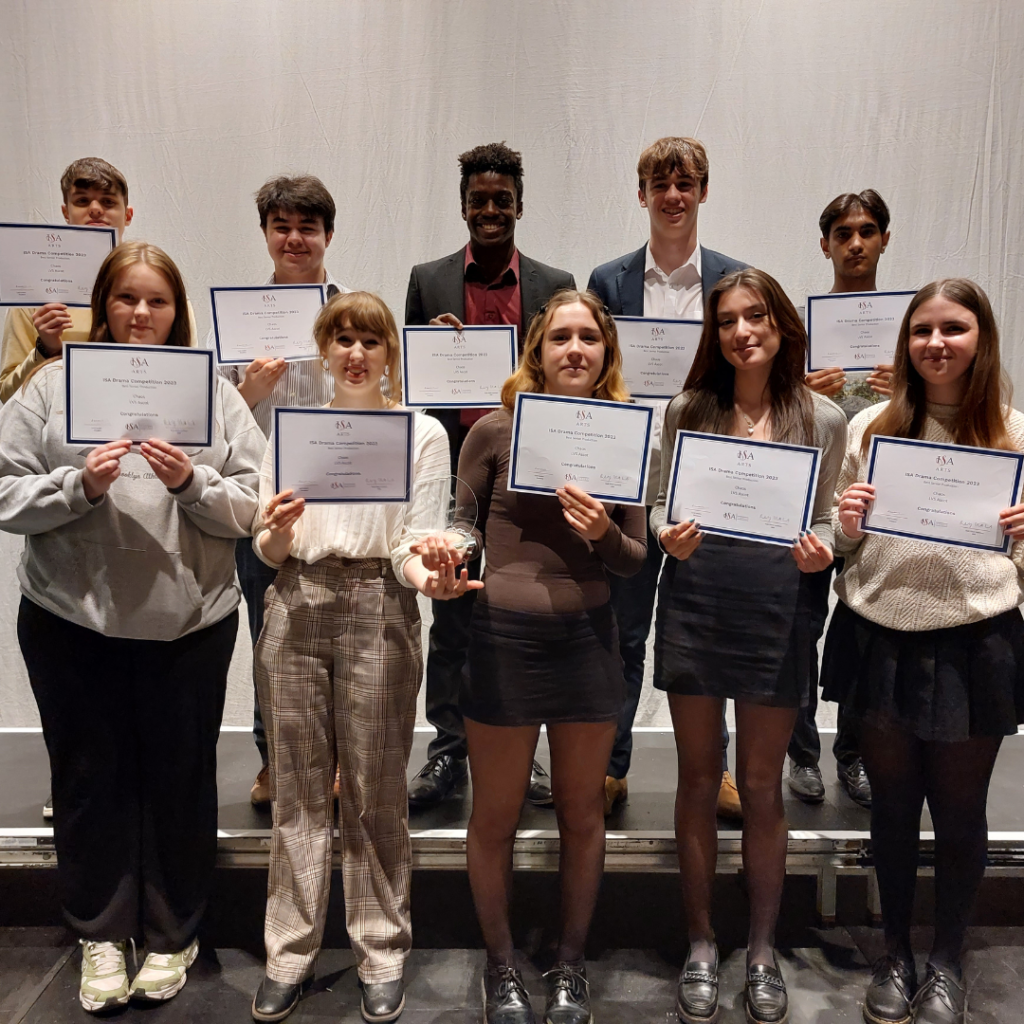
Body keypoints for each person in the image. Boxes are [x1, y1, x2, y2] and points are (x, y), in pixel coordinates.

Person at [0, 241, 264, 1013]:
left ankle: (174, 935)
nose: (141, 313)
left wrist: (192, 482)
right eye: (126, 299)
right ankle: (100, 935)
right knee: (87, 781)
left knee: (180, 782)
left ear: (177, 310)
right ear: (102, 306)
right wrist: (76, 486)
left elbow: (253, 503)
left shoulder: (212, 394)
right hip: (71, 619)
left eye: (156, 300)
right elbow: (4, 492)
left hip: (188, 622)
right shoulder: (52, 387)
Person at [417, 289, 645, 1024]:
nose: (574, 349)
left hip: (586, 645)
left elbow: (636, 560)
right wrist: (451, 555)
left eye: (588, 338)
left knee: (582, 813)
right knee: (496, 817)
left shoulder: (624, 435)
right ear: (537, 352)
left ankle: (570, 967)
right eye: (560, 338)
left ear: (605, 353)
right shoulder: (491, 429)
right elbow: (463, 521)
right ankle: (503, 965)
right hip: (502, 644)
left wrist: (604, 534)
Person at [249, 291, 471, 1024]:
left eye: (370, 341)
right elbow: (266, 546)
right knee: (298, 788)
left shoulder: (423, 433)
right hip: (297, 599)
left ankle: (380, 949)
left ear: (389, 354)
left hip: (380, 601)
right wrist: (276, 533)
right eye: (341, 338)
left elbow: (414, 544)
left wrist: (429, 577)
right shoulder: (291, 429)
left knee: (376, 789)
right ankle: (290, 951)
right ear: (323, 348)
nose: (355, 352)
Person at [823, 278, 1024, 1024]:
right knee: (893, 810)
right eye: (922, 330)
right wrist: (846, 521)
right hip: (882, 634)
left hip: (976, 642)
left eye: (955, 328)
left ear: (982, 337)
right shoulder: (872, 425)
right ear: (905, 343)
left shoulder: (1014, 433)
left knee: (962, 812)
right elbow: (844, 548)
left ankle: (947, 959)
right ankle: (898, 951)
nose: (937, 343)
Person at [650, 269, 846, 1024]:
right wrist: (668, 531)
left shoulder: (822, 417)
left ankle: (761, 949)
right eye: (727, 320)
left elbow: (827, 517)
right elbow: (666, 501)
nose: (742, 331)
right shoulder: (687, 409)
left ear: (780, 324)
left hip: (776, 606)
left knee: (761, 788)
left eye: (755, 316)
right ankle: (701, 942)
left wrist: (822, 548)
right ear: (715, 334)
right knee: (698, 780)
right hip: (698, 598)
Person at [405, 142, 575, 810]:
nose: (491, 210)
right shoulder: (429, 279)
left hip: (527, 471)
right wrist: (435, 356)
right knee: (452, 612)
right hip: (454, 470)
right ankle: (447, 753)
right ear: (464, 206)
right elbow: (409, 385)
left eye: (502, 199)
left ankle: (526, 756)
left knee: (526, 613)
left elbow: (569, 374)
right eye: (479, 200)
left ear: (520, 206)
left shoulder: (556, 281)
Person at [587, 135, 747, 820]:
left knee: (712, 633)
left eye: (686, 184)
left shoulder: (734, 279)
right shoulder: (608, 281)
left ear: (703, 192)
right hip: (626, 483)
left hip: (704, 484)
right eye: (661, 184)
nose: (674, 196)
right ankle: (610, 764)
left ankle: (717, 774)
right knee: (621, 632)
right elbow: (589, 376)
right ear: (642, 193)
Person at [210, 174, 349, 807]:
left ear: (327, 233)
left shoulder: (352, 315)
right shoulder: (234, 321)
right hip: (262, 506)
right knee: (271, 640)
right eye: (281, 227)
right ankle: (276, 762)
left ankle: (340, 760)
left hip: (340, 505)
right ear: (265, 233)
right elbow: (209, 427)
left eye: (307, 228)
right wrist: (251, 393)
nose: (294, 239)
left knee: (341, 641)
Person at [789, 189, 894, 810]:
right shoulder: (798, 331)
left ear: (885, 239)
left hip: (882, 504)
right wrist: (801, 389)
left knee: (868, 635)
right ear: (824, 243)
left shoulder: (914, 327)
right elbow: (772, 414)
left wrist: (907, 384)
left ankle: (854, 755)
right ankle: (802, 755)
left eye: (868, 231)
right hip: (811, 503)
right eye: (843, 233)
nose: (856, 242)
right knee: (801, 633)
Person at [1, 157, 198, 404]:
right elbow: (8, 397)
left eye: (108, 201)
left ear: (128, 215)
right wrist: (45, 351)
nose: (95, 209)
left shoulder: (163, 293)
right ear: (66, 211)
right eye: (82, 201)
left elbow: (191, 382)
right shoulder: (32, 293)